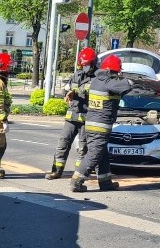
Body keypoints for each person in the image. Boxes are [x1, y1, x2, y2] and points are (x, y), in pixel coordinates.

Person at [69, 54, 134, 192]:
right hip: (100, 125)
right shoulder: (110, 82)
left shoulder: (97, 81)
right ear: (112, 71)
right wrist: (131, 80)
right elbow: (127, 85)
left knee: (102, 154)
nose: (118, 74)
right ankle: (76, 181)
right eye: (117, 72)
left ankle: (105, 183)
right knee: (94, 154)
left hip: (92, 123)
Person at [45, 47, 98, 180]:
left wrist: (77, 92)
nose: (85, 67)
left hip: (86, 117)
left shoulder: (98, 77)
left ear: (93, 63)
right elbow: (67, 88)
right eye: (83, 64)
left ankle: (78, 174)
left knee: (82, 148)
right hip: (72, 115)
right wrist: (66, 92)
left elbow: (92, 93)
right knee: (62, 143)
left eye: (87, 64)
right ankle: (56, 171)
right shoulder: (77, 74)